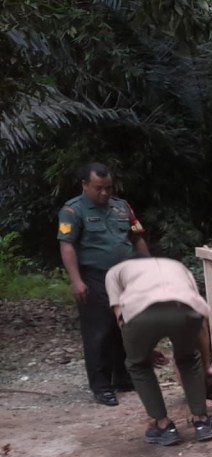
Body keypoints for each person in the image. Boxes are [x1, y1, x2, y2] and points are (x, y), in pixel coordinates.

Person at [58, 162, 150, 406]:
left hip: (126, 275)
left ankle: (123, 377)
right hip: (94, 276)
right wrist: (76, 280)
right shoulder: (72, 211)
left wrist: (150, 267)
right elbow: (67, 245)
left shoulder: (122, 207)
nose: (104, 193)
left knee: (125, 325)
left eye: (108, 187)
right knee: (100, 331)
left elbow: (137, 238)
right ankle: (101, 386)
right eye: (98, 188)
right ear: (85, 185)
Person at [105, 256, 212, 446]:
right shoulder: (177, 266)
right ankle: (202, 421)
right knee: (189, 359)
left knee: (138, 365)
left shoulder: (114, 272)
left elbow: (121, 317)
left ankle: (163, 425)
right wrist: (207, 365)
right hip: (185, 310)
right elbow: (200, 321)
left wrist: (143, 350)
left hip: (140, 314)